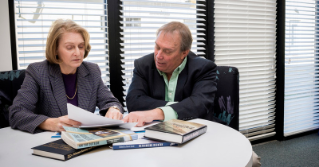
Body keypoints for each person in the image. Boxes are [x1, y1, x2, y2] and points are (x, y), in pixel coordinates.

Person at [123, 21, 261, 167]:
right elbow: (134, 101)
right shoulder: (143, 65)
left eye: (167, 51)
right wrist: (180, 108)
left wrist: (156, 112)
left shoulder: (203, 68)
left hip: (198, 133)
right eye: (157, 47)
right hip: (154, 137)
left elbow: (200, 104)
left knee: (252, 160)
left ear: (184, 53)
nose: (158, 55)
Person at [9, 19, 123, 134]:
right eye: (70, 47)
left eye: (81, 46)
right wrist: (50, 123)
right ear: (55, 50)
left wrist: (113, 109)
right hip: (48, 142)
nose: (77, 53)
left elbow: (110, 101)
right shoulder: (38, 72)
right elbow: (17, 113)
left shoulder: (92, 70)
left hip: (84, 140)